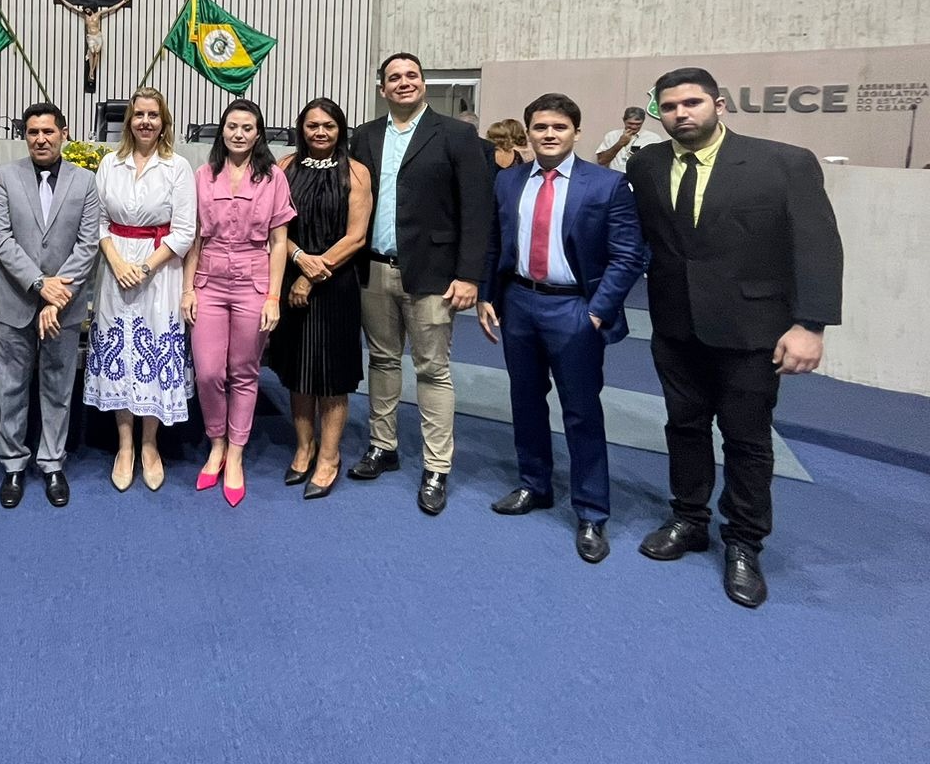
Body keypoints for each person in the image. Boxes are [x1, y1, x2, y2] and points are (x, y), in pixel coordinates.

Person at [627, 67, 842, 608]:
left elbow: (817, 247)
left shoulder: (783, 163)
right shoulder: (646, 163)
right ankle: (689, 519)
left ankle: (744, 543)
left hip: (752, 331)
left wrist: (810, 325)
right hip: (675, 326)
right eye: (670, 106)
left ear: (718, 104)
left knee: (747, 441)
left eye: (693, 102)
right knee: (685, 428)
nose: (682, 113)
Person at [477, 94, 647, 564]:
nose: (548, 134)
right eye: (539, 127)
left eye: (558, 126)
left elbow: (630, 255)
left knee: (581, 411)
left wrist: (598, 312)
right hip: (519, 303)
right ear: (527, 132)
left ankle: (591, 510)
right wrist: (488, 295)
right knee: (525, 401)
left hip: (575, 308)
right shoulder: (508, 180)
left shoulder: (607, 184)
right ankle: (534, 484)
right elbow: (495, 241)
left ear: (576, 132)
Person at [348, 52, 491, 514]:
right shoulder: (366, 137)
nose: (403, 83)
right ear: (382, 88)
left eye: (411, 76)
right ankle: (383, 446)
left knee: (433, 369)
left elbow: (476, 208)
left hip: (434, 272)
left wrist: (470, 274)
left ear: (424, 84)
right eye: (394, 78)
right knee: (384, 361)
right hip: (374, 268)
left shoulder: (457, 135)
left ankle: (436, 466)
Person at [0, 102, 102, 509]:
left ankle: (52, 462)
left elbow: (88, 245)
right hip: (14, 301)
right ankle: (14, 464)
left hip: (65, 307)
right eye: (33, 132)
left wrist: (58, 295)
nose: (40, 138)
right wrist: (40, 286)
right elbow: (1, 239)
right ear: (25, 135)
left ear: (64, 133)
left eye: (48, 131)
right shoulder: (5, 177)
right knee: (12, 388)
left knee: (57, 387)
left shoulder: (86, 182)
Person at [182, 99, 295, 507]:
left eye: (248, 127)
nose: (239, 134)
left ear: (259, 133)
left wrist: (273, 296)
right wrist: (188, 288)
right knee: (209, 371)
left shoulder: (273, 178)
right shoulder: (202, 175)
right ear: (222, 130)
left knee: (243, 371)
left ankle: (235, 452)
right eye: (232, 126)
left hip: (253, 278)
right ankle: (216, 440)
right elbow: (194, 237)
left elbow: (280, 242)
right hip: (209, 279)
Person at [84, 86, 197, 492]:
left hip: (159, 270)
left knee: (152, 351)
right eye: (139, 115)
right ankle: (125, 446)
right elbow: (96, 222)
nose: (146, 121)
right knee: (122, 353)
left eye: (153, 115)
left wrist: (146, 267)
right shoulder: (109, 164)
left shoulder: (177, 167)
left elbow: (186, 231)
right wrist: (116, 262)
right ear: (128, 121)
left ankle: (150, 445)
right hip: (115, 271)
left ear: (164, 121)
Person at [272, 99, 371, 500]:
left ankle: (329, 456)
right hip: (290, 273)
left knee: (332, 374)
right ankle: (304, 447)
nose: (320, 132)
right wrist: (298, 260)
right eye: (312, 125)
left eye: (328, 125)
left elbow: (357, 237)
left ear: (340, 128)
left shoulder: (357, 172)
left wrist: (311, 276)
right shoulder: (285, 167)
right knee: (298, 370)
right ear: (301, 128)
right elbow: (273, 227)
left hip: (336, 284)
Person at [595, 106, 664, 172]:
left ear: (643, 121)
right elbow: (601, 161)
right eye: (630, 123)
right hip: (617, 179)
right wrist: (620, 143)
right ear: (624, 120)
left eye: (638, 124)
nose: (634, 127)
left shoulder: (653, 138)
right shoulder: (611, 136)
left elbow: (659, 163)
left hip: (640, 179)